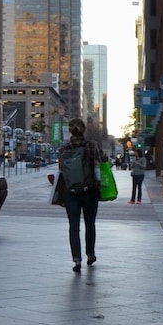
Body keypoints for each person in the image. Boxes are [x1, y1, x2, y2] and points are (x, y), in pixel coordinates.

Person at [56, 117, 103, 273]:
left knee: (73, 227)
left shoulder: (64, 148)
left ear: (70, 130)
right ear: (84, 130)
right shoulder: (91, 145)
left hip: (71, 192)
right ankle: (90, 254)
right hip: (89, 191)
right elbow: (99, 164)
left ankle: (77, 260)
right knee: (90, 224)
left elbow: (62, 169)